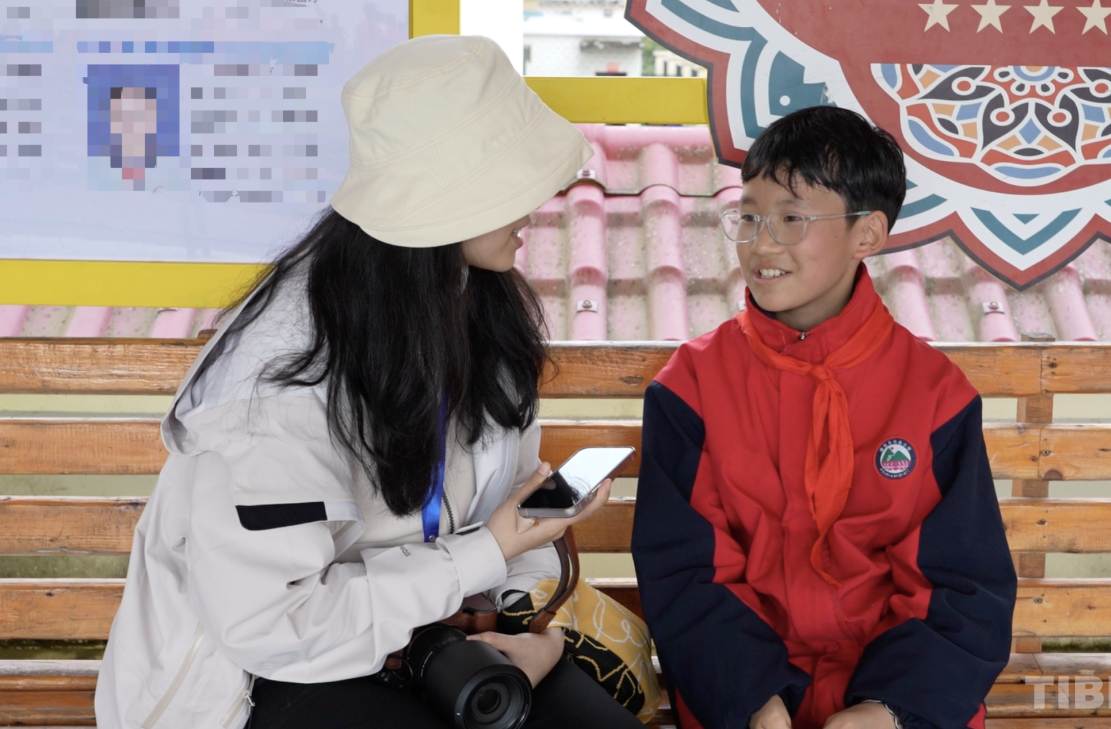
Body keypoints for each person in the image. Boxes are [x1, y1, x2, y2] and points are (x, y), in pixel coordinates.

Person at [95, 36, 645, 729]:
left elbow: (507, 498)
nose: (543, 199)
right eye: (513, 180)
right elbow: (274, 625)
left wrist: (527, 625)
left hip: (434, 634)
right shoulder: (278, 381)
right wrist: (485, 551)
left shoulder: (479, 305)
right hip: (270, 671)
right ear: (448, 202)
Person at [631, 106, 1017, 729]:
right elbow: (685, 573)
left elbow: (963, 585)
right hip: (741, 697)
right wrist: (754, 701)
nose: (761, 244)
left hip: (900, 700)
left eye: (792, 218)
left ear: (868, 234)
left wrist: (888, 708)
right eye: (749, 215)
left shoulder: (934, 395)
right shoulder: (691, 388)